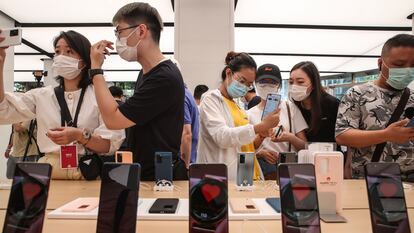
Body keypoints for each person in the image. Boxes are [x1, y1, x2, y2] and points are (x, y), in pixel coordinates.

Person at [0, 30, 124, 179]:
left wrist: (80, 135)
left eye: (69, 51)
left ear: (84, 61)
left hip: (87, 171)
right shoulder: (41, 95)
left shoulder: (99, 96)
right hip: (48, 172)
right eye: (57, 51)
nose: (60, 57)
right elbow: (4, 111)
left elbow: (109, 145)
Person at [89, 2, 187, 181]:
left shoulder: (164, 77)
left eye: (120, 32)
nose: (118, 40)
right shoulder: (145, 73)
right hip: (146, 172)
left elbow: (113, 120)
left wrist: (96, 70)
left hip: (160, 177)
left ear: (141, 31)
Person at [336, 34, 414, 179]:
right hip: (369, 182)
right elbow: (342, 135)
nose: (408, 70)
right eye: (399, 65)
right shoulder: (357, 94)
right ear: (380, 64)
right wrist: (386, 135)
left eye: (413, 65)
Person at [197, 51, 281, 181]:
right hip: (223, 177)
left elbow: (245, 144)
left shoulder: (237, 107)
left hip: (249, 174)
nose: (245, 87)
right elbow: (222, 137)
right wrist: (259, 127)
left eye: (249, 84)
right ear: (229, 73)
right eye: (242, 81)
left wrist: (262, 134)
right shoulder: (211, 100)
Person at [248, 64, 307, 179]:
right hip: (262, 172)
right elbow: (244, 150)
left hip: (289, 171)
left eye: (272, 82)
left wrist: (290, 137)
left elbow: (304, 147)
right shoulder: (248, 114)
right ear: (255, 84)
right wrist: (260, 153)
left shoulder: (291, 108)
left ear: (279, 85)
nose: (267, 85)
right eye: (263, 81)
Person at [289, 61, 340, 144]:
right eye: (291, 82)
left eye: (300, 82)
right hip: (304, 155)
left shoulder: (332, 104)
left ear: (313, 84)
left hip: (330, 155)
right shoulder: (294, 107)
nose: (294, 86)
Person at [181, 86, 199, 168]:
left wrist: (185, 168)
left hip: (184, 162)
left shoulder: (181, 96)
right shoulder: (188, 94)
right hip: (191, 159)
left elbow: (186, 134)